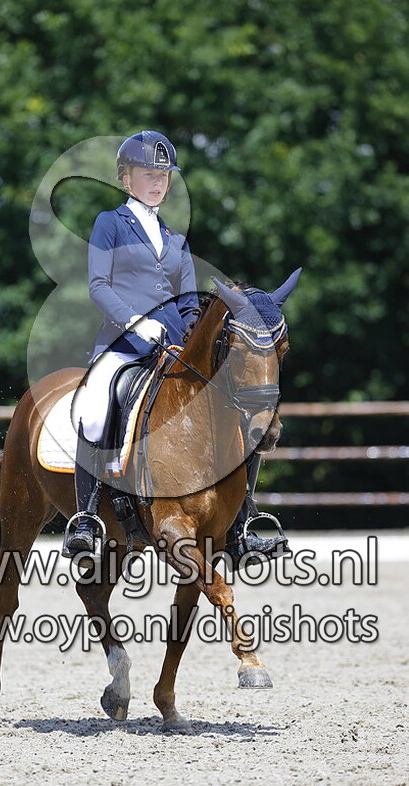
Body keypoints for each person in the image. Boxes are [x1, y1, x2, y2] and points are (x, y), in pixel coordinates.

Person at [63, 130, 287, 564]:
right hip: (124, 343)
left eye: (163, 176)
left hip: (172, 346)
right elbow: (98, 286)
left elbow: (187, 303)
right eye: (148, 174)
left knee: (236, 409)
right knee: (98, 403)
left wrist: (190, 338)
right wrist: (135, 321)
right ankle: (87, 518)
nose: (157, 182)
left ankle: (241, 523)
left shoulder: (176, 238)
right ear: (126, 179)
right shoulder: (110, 223)